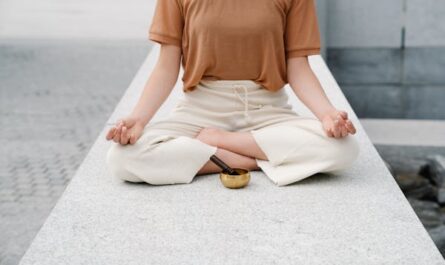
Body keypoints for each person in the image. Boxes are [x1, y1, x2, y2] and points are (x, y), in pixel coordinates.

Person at [105, 0, 360, 186]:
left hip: (268, 110)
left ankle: (219, 144)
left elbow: (299, 67)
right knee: (122, 158)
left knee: (343, 149)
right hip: (200, 110)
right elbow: (165, 66)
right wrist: (138, 120)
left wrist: (327, 115)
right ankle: (263, 156)